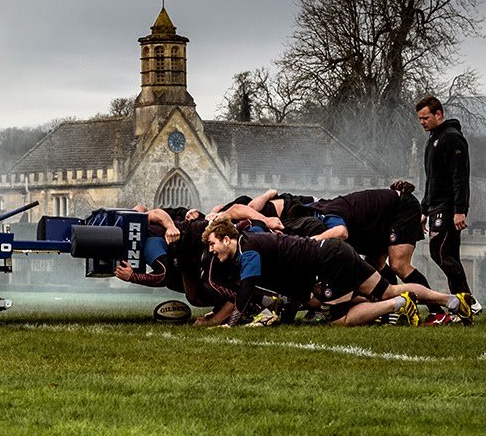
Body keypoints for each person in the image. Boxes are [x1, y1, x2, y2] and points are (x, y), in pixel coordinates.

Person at [200, 219, 470, 327]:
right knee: (387, 287)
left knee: (336, 319)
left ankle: (397, 306)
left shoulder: (248, 250)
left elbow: (247, 290)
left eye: (212, 244)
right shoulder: (253, 239)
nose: (211, 251)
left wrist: (230, 323)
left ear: (226, 239)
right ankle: (452, 301)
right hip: (335, 250)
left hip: (329, 260)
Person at [416, 96, 476, 320]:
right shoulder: (433, 139)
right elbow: (431, 180)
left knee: (439, 252)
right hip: (435, 207)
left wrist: (461, 209)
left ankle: (467, 300)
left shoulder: (452, 138)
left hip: (449, 207)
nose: (422, 122)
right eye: (420, 119)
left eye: (426, 118)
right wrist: (423, 209)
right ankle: (463, 305)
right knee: (449, 254)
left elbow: (460, 177)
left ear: (438, 114)